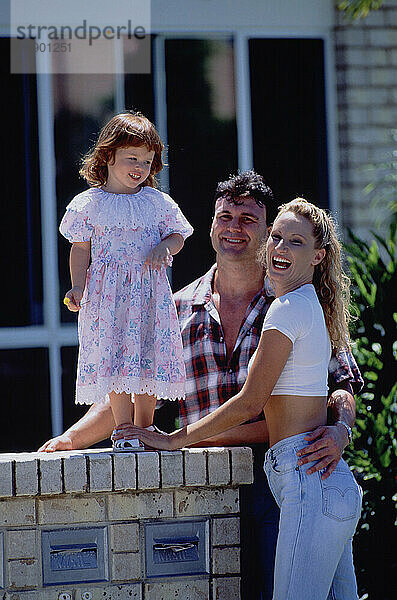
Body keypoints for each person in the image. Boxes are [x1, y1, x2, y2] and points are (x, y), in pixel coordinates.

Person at [40, 171, 362, 599]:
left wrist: (341, 429)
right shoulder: (175, 307)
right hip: (205, 484)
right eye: (225, 215)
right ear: (211, 225)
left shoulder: (292, 299)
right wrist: (69, 439)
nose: (234, 227)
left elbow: (342, 386)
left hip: (282, 477)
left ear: (269, 232)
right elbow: (129, 385)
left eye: (249, 219)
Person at [130, 196, 363, 600]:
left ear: (318, 256)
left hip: (306, 481)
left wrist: (174, 439)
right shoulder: (313, 306)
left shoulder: (286, 309)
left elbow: (250, 402)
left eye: (295, 242)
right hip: (330, 484)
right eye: (276, 238)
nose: (280, 249)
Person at [59, 111, 193, 451]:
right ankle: (123, 429)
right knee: (116, 358)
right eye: (132, 158)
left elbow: (178, 234)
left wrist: (165, 246)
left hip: (147, 295)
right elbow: (80, 249)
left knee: (147, 355)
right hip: (108, 297)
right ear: (108, 156)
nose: (140, 167)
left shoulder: (155, 202)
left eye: (147, 161)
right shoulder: (90, 203)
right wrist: (77, 286)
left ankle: (145, 429)